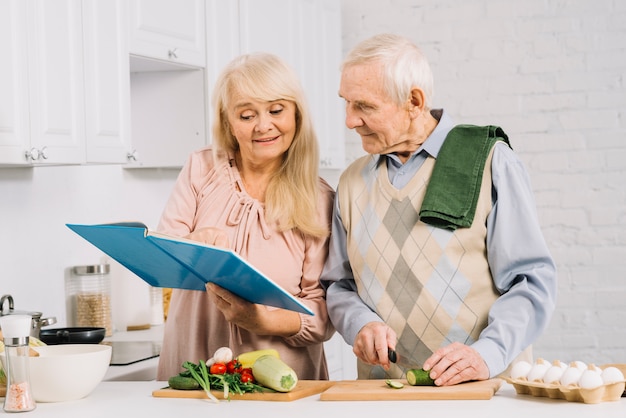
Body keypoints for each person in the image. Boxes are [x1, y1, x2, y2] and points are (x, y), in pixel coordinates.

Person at [321, 33, 557, 386]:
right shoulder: (352, 181)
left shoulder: (488, 161)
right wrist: (360, 323)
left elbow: (531, 280)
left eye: (364, 106)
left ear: (414, 101)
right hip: (384, 393)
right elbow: (339, 285)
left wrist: (486, 354)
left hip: (484, 390)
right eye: (346, 103)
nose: (349, 121)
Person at [156, 52, 336, 381]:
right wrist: (192, 245)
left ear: (296, 113)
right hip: (193, 366)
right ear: (228, 122)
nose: (263, 125)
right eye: (247, 114)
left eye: (276, 110)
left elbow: (324, 315)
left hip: (281, 378)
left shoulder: (320, 199)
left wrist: (262, 321)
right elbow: (163, 256)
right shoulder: (201, 168)